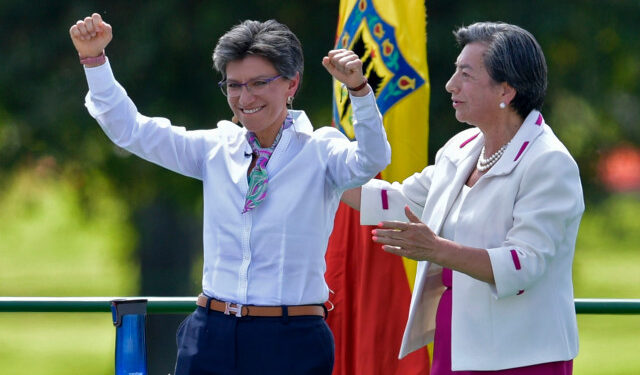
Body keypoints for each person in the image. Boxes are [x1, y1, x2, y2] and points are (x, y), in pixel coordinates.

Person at [69, 13, 390, 375]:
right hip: (211, 331)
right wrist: (94, 61)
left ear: (291, 83)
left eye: (258, 83)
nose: (244, 97)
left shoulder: (321, 151)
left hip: (292, 336)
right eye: (233, 85)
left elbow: (371, 159)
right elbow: (131, 131)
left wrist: (360, 91)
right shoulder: (216, 148)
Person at [341, 22, 584, 374]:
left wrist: (436, 248)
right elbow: (396, 201)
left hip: (525, 353)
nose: (450, 85)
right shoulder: (460, 147)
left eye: (465, 74)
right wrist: (321, 175)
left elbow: (523, 263)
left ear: (507, 89)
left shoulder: (550, 162)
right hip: (456, 340)